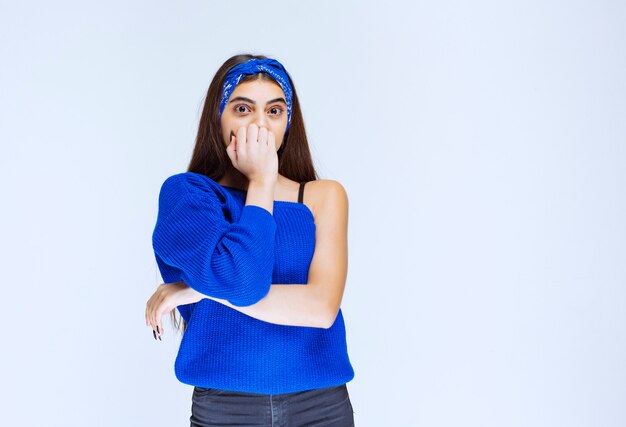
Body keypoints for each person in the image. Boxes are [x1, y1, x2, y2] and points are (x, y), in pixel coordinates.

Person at [145, 54, 356, 426]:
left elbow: (321, 309)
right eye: (243, 108)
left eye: (274, 111)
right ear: (218, 118)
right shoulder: (188, 196)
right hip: (227, 409)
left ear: (288, 123)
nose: (260, 124)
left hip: (321, 407)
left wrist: (198, 290)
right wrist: (261, 182)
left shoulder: (323, 197)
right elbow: (243, 282)